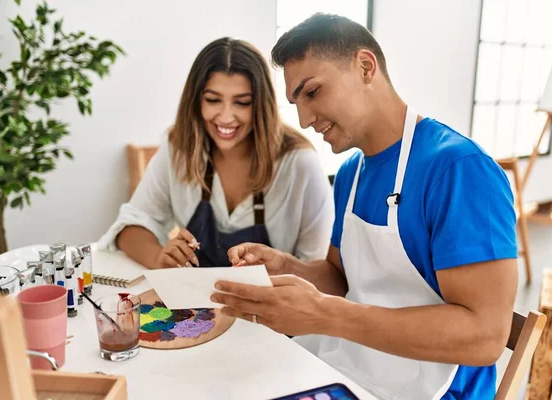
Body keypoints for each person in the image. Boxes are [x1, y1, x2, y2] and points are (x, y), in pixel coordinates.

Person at [210, 14, 518, 400]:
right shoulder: (352, 173)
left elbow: (485, 337)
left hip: (437, 391)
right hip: (352, 368)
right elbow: (342, 279)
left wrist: (324, 314)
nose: (304, 120)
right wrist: (288, 267)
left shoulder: (458, 170)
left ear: (365, 66)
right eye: (296, 103)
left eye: (313, 92)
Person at [98, 37, 334, 269]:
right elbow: (131, 225)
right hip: (195, 304)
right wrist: (159, 258)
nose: (225, 117)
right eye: (213, 100)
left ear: (261, 105)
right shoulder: (179, 148)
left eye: (242, 103)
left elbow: (315, 270)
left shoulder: (300, 164)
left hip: (275, 304)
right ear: (196, 101)